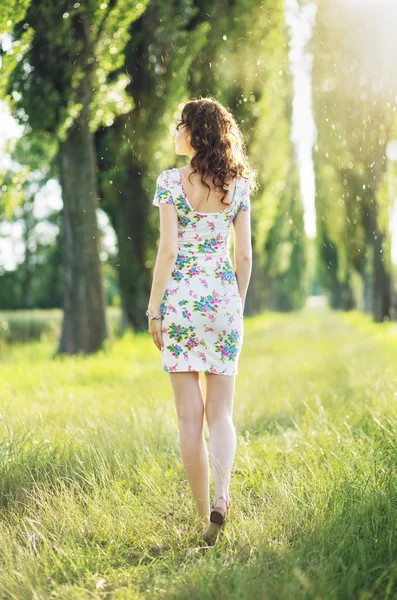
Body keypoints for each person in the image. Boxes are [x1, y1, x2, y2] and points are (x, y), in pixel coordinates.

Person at [147, 97, 255, 545]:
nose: (175, 130)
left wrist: (154, 309)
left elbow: (168, 251)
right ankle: (222, 499)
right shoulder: (238, 186)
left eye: (180, 124)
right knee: (221, 414)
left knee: (189, 418)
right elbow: (244, 255)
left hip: (181, 306)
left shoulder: (171, 182)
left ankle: (200, 516)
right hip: (223, 304)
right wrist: (236, 304)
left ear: (194, 132)